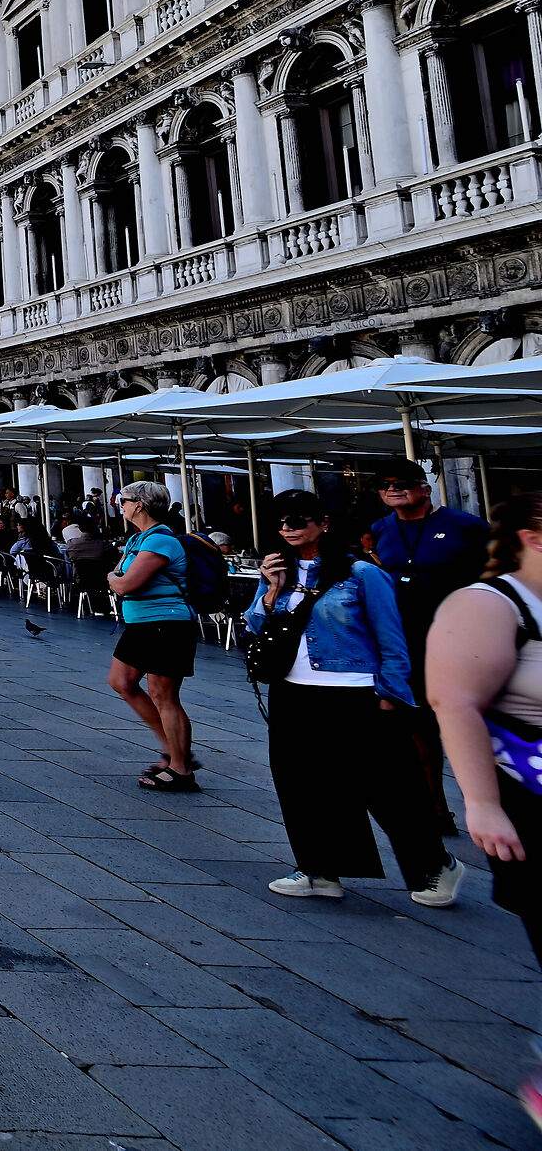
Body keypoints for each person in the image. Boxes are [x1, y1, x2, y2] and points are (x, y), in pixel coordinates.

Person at [243, 489, 457, 905]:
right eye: (282, 521)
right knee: (302, 785)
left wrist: (391, 695)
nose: (288, 529)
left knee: (388, 788)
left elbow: (394, 640)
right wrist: (270, 590)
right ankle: (319, 869)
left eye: (299, 520)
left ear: (324, 522)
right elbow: (256, 623)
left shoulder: (362, 574)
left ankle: (436, 865)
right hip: (292, 691)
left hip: (356, 692)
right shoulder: (277, 570)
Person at [427, 490, 542, 1118]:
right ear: (535, 537)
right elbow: (456, 701)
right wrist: (483, 803)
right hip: (532, 795)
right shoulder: (491, 605)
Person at [366, 465, 488, 838]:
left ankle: (491, 804)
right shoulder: (381, 529)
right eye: (384, 485)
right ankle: (437, 810)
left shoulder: (465, 526)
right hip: (407, 641)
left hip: (462, 638)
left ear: (425, 488)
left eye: (401, 484)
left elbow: (498, 572)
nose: (392, 490)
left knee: (471, 726)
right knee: (417, 728)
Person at [105, 481, 202, 793]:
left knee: (163, 695)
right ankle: (174, 750)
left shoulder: (160, 541)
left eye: (124, 501)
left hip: (166, 624)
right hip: (142, 625)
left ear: (139, 505)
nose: (120, 505)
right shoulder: (139, 538)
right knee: (121, 681)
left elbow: (125, 584)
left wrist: (113, 579)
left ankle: (181, 769)